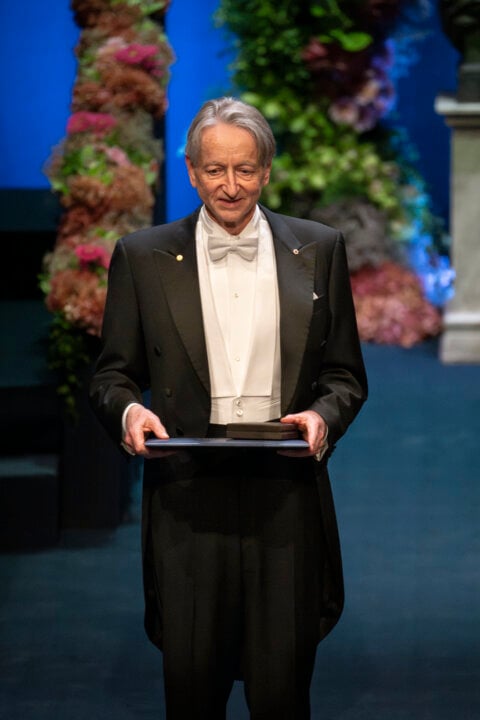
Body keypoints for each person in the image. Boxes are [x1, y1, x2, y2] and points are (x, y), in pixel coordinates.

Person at [89, 96, 368, 719]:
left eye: (245, 170)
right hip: (188, 493)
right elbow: (112, 375)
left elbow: (344, 375)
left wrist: (324, 418)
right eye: (215, 170)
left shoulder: (319, 248)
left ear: (266, 170)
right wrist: (131, 414)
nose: (231, 186)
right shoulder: (142, 255)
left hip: (285, 490)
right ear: (190, 171)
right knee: (192, 690)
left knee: (281, 695)